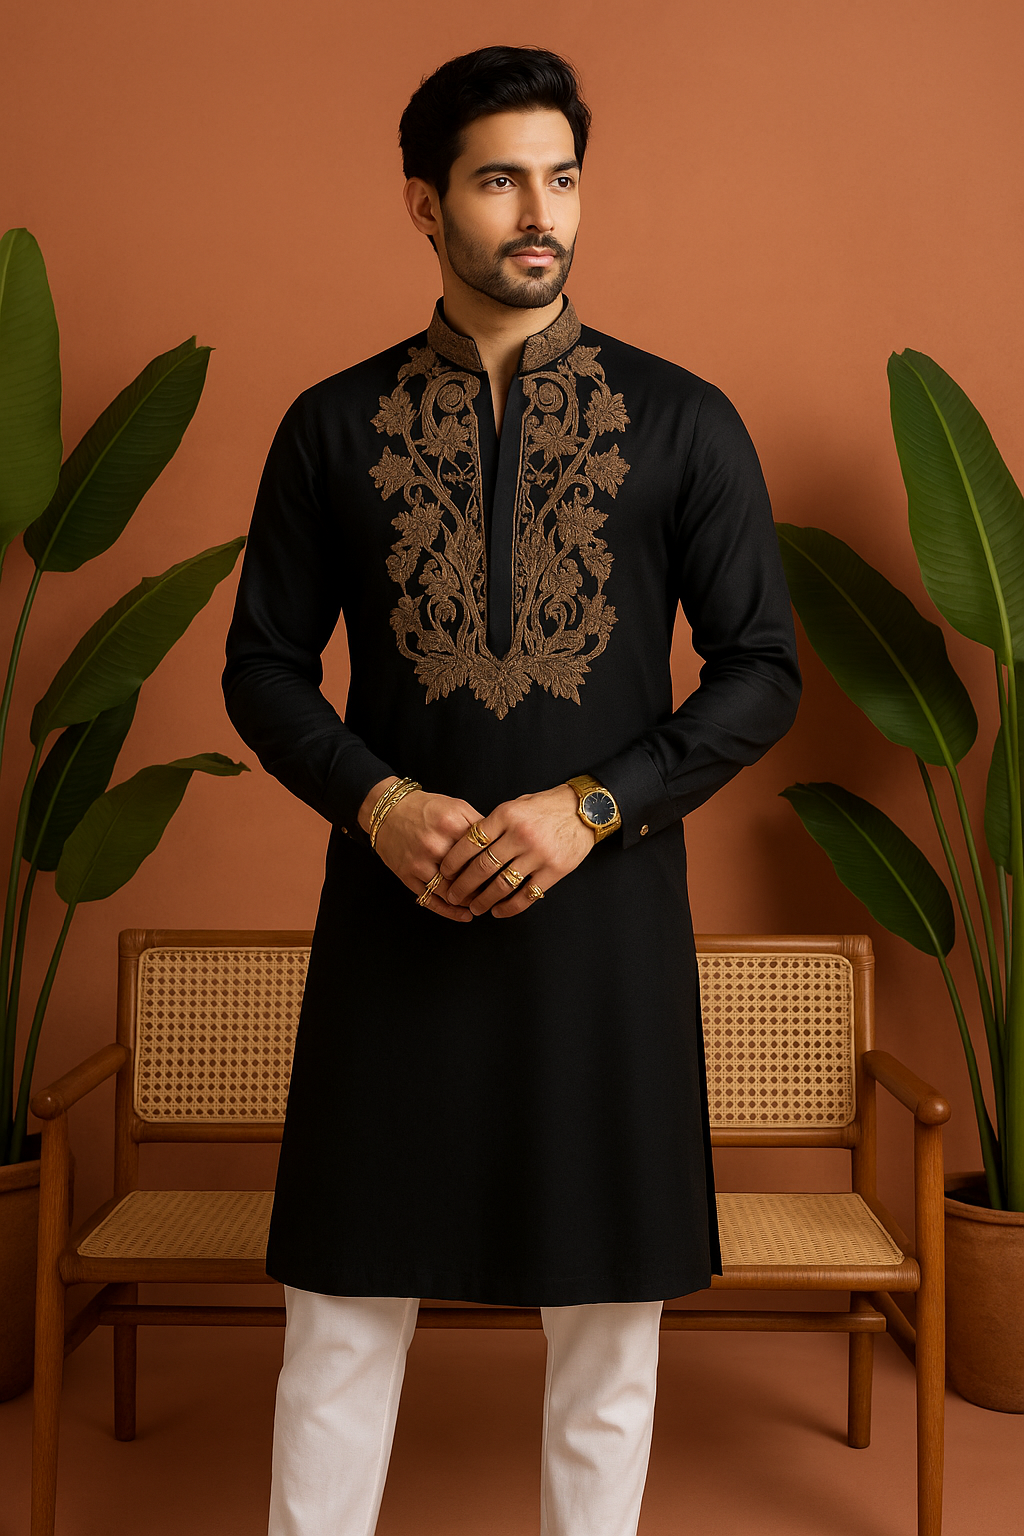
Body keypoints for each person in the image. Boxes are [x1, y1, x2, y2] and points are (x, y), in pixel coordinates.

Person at [222, 42, 802, 1536]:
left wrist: (593, 806)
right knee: (340, 1329)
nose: (539, 211)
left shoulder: (683, 421)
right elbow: (265, 669)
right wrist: (379, 804)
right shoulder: (330, 427)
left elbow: (759, 670)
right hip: (392, 931)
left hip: (601, 939)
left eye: (562, 177)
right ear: (424, 206)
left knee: (607, 1339)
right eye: (499, 179)